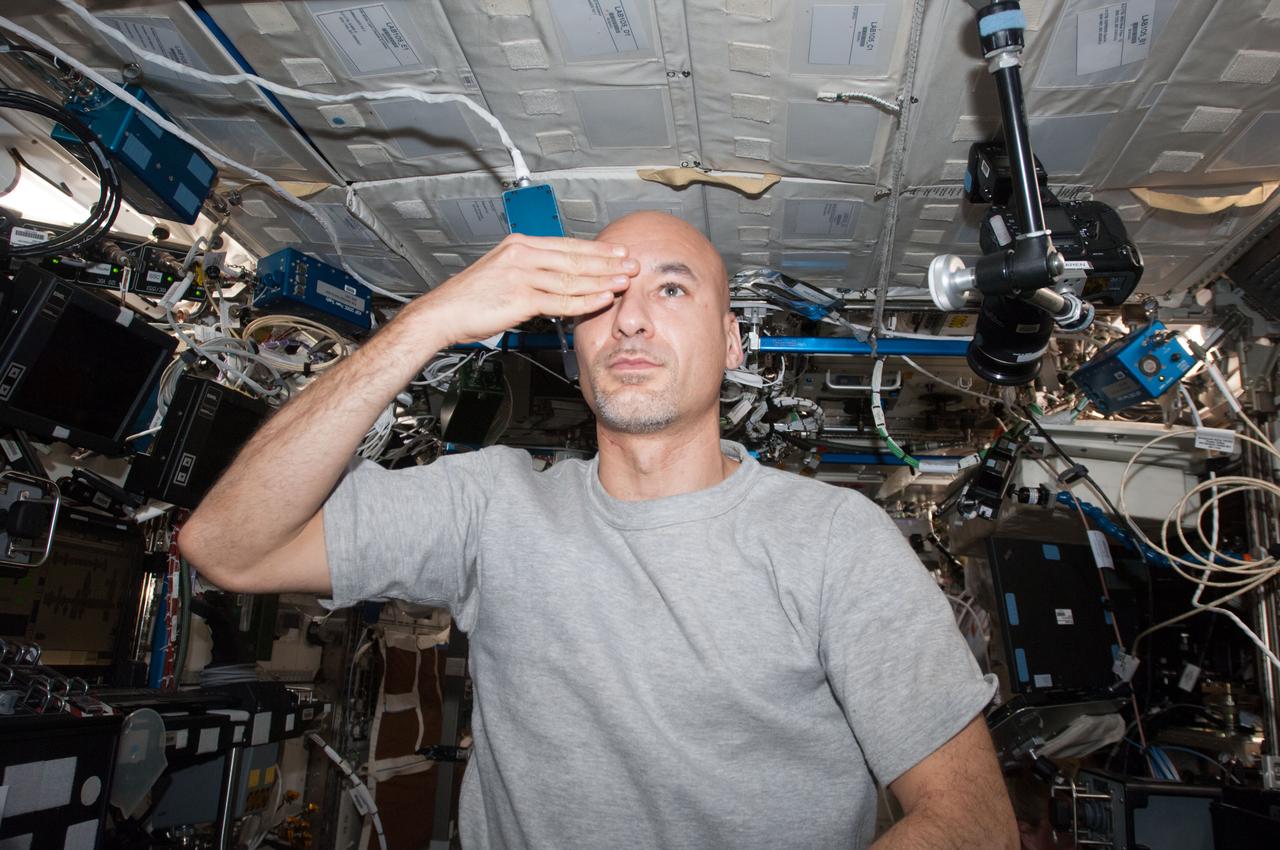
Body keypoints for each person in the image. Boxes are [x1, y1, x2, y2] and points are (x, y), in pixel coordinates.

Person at [181, 211, 1018, 849]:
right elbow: (227, 547)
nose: (631, 321)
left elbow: (971, 821)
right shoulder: (491, 507)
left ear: (732, 344)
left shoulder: (835, 540)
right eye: (603, 301)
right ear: (573, 349)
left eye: (672, 290)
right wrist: (426, 321)